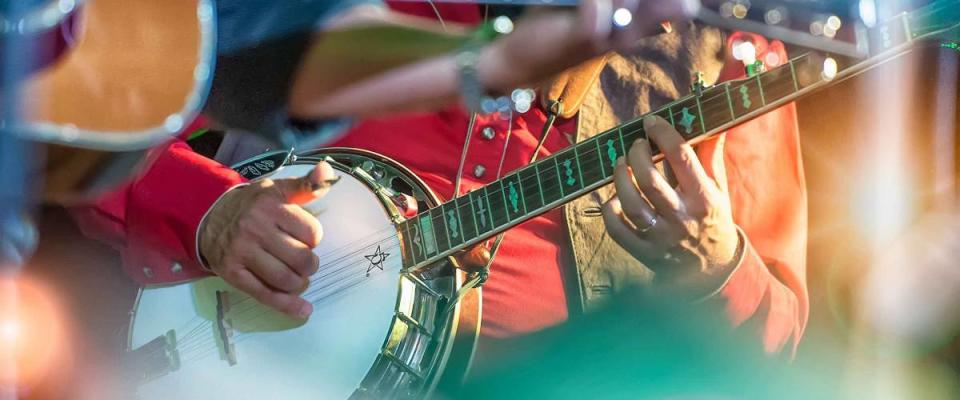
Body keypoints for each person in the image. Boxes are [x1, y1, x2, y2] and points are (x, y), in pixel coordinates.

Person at [73, 1, 806, 374]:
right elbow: (88, 113)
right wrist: (210, 210)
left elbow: (779, 335)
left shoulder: (737, 58)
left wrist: (715, 266)